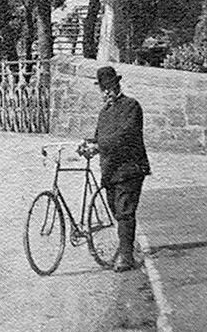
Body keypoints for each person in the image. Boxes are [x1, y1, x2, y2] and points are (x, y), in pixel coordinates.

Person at [84, 65, 150, 272]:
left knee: (124, 211)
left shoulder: (131, 106)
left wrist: (99, 146)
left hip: (130, 168)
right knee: (117, 210)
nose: (106, 92)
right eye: (103, 88)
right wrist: (87, 145)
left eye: (110, 87)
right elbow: (99, 137)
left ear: (117, 84)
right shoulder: (104, 113)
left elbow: (125, 136)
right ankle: (125, 247)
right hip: (111, 170)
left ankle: (126, 256)